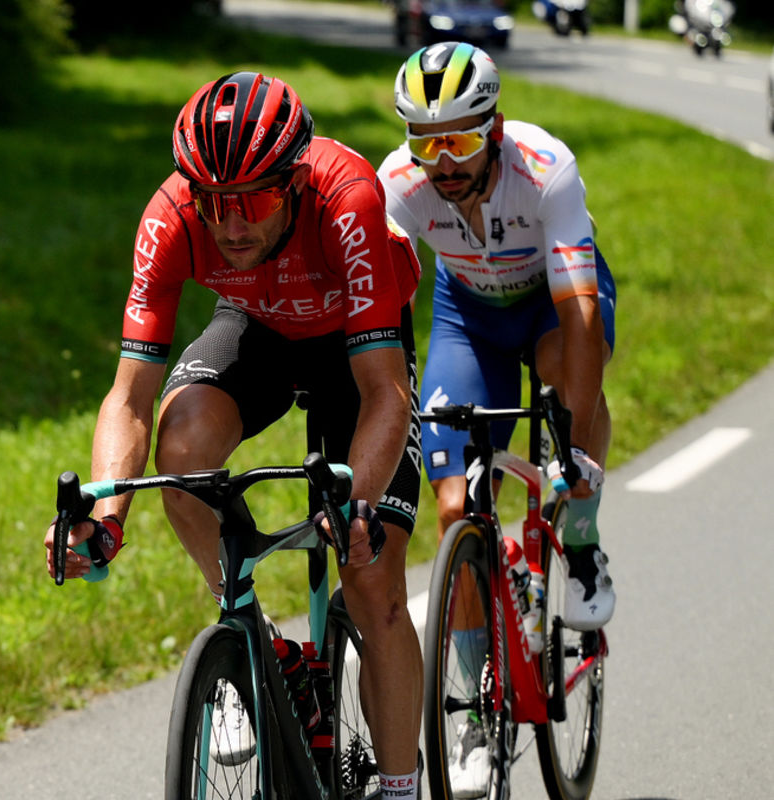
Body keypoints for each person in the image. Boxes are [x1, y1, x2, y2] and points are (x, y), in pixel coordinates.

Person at [45, 72, 426, 799]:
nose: (230, 223)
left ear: (293, 183)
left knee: (373, 583)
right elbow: (129, 396)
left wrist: (360, 503)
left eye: (251, 199)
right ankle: (259, 643)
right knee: (180, 449)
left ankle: (403, 787)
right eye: (212, 202)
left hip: (356, 340)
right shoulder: (170, 218)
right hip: (262, 329)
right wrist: (105, 518)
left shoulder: (346, 197)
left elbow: (385, 392)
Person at [378, 41, 617, 796]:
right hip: (468, 318)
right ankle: (479, 714)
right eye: (426, 140)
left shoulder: (546, 168)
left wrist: (575, 454)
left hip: (553, 305)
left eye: (461, 139)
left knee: (563, 376)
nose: (442, 161)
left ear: (497, 126)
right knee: (455, 510)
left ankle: (579, 538)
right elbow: (373, 307)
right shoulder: (399, 185)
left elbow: (580, 316)